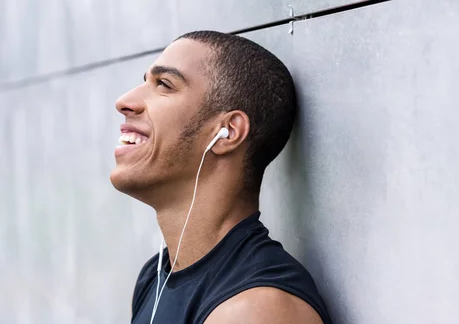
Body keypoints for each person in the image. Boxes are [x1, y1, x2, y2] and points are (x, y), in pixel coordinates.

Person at [110, 31, 332, 324]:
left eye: (164, 84)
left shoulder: (256, 309)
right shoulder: (156, 275)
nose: (124, 102)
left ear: (227, 132)